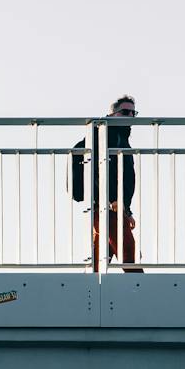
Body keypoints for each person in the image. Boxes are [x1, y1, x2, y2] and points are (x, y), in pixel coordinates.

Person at [70, 95, 142, 273]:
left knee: (99, 262)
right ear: (112, 114)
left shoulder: (121, 137)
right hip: (108, 208)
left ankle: (88, 287)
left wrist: (127, 210)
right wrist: (110, 200)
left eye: (133, 113)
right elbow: (94, 165)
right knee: (128, 256)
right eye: (125, 112)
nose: (130, 116)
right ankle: (142, 287)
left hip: (113, 207)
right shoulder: (105, 133)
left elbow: (123, 178)